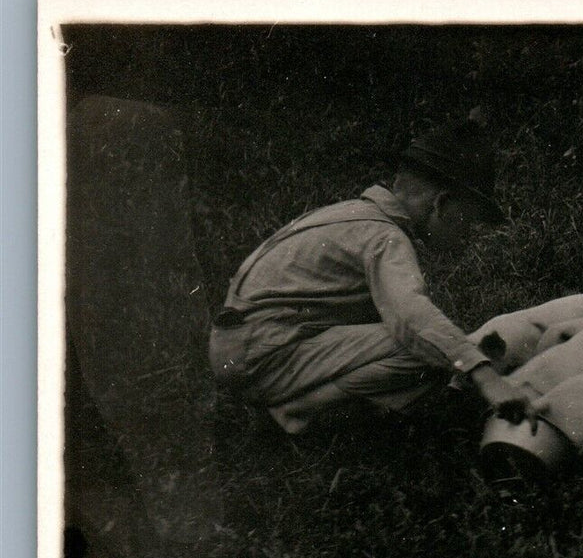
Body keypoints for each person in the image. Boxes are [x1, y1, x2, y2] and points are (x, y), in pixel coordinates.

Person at [208, 110, 534, 434]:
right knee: (425, 349)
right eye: (467, 220)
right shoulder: (385, 237)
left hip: (240, 346)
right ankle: (298, 410)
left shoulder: (355, 214)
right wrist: (486, 377)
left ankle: (298, 398)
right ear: (442, 203)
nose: (467, 234)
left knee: (425, 338)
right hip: (261, 356)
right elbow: (410, 316)